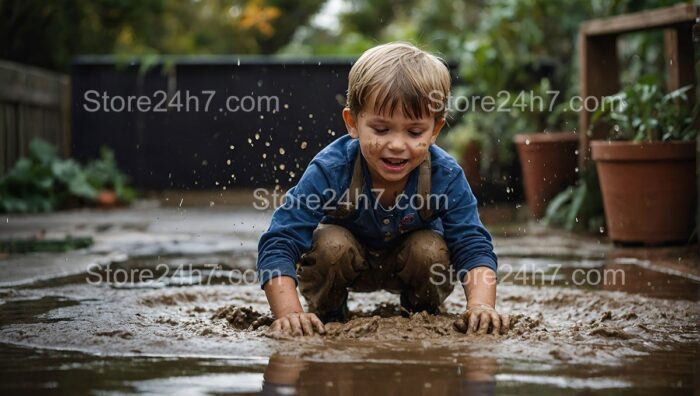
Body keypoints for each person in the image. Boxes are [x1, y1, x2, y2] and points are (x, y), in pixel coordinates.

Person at [256, 42, 509, 337]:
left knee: (429, 249)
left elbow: (472, 244)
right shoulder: (331, 169)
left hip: (412, 264)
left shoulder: (445, 175)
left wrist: (480, 306)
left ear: (435, 131)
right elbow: (280, 240)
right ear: (353, 123)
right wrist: (288, 314)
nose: (397, 145)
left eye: (414, 132)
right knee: (332, 244)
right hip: (344, 261)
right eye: (381, 129)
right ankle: (328, 313)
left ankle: (421, 315)